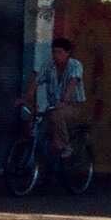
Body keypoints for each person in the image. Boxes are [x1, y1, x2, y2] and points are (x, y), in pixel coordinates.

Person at [36, 38, 93, 171]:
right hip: (54, 107)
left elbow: (73, 83)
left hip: (74, 106)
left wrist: (64, 101)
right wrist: (25, 98)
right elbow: (36, 82)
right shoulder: (48, 65)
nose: (56, 55)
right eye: (54, 52)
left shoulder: (75, 65)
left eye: (60, 52)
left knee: (56, 114)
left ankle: (66, 146)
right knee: (39, 127)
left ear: (68, 53)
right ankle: (45, 167)